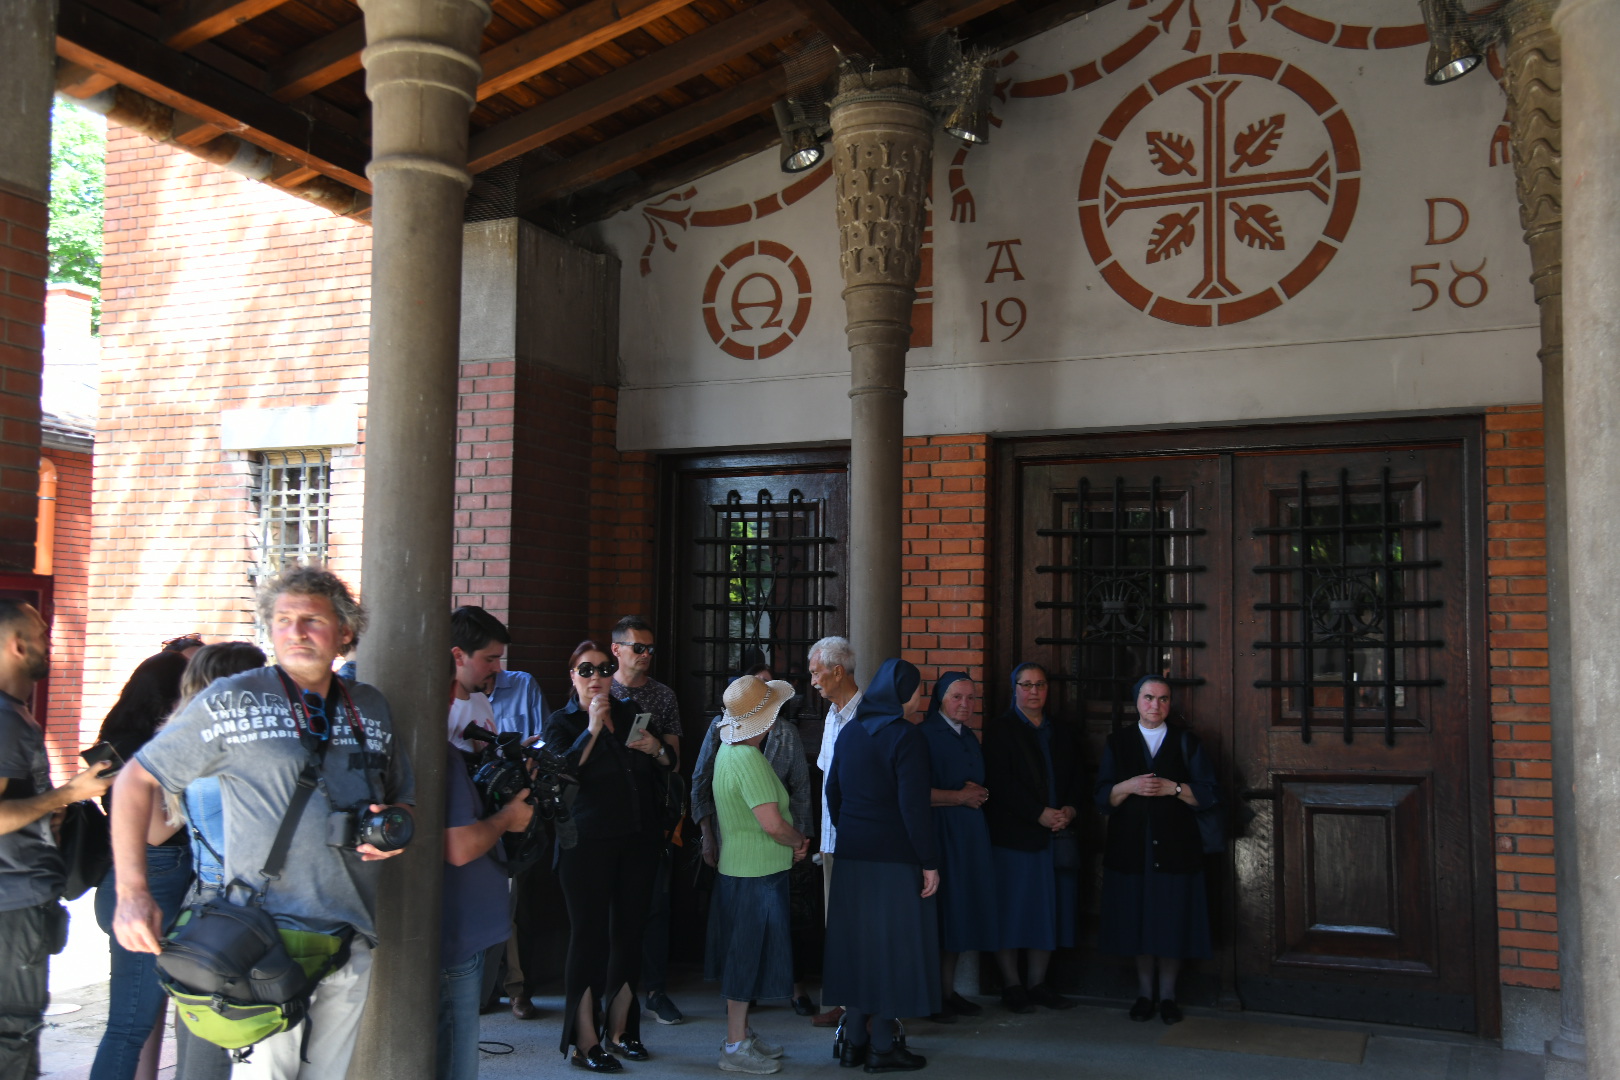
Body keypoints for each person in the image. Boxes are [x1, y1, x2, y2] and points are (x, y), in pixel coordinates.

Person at [110, 565, 414, 1080]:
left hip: (349, 934)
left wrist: (395, 827)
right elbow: (133, 782)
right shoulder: (233, 698)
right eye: (283, 619)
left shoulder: (370, 705)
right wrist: (132, 891)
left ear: (344, 631)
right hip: (264, 941)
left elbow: (401, 797)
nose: (295, 631)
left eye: (312, 620)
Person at [544, 641, 674, 1072]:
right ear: (572, 676)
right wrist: (593, 728)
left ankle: (622, 1030)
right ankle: (584, 1041)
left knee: (629, 934)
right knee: (589, 938)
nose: (596, 677)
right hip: (585, 844)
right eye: (586, 670)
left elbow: (667, 762)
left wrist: (655, 748)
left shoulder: (630, 715)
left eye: (602, 669)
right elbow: (561, 773)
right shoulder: (561, 722)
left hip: (637, 839)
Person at [0, 600, 114, 1079]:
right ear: (17, 644)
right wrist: (69, 793)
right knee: (13, 1030)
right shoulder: (5, 721)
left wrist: (51, 813)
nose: (52, 644)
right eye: (44, 635)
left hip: (20, 900)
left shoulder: (15, 717)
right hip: (11, 907)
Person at [821, 658, 938, 1074]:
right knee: (893, 952)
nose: (920, 698)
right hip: (894, 860)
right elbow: (914, 807)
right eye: (918, 691)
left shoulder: (851, 732)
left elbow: (833, 791)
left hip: (854, 856)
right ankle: (883, 1047)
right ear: (903, 695)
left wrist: (853, 830)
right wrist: (929, 861)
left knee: (858, 950)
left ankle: (854, 1042)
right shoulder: (906, 737)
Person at [169, 641, 269, 1080]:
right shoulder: (236, 757)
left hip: (202, 901)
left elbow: (158, 829)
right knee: (230, 1032)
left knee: (200, 1030)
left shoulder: (186, 744)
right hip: (240, 905)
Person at [89, 650, 190, 1080]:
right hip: (151, 879)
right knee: (130, 1023)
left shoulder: (121, 738)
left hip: (145, 879)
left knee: (143, 1017)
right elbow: (156, 831)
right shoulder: (140, 750)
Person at [692, 664, 816, 1015]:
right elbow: (772, 823)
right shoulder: (743, 755)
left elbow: (801, 791)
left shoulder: (747, 746)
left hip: (763, 861)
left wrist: (800, 841)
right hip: (753, 865)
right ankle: (737, 1039)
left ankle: (744, 1030)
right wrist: (795, 841)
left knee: (756, 944)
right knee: (746, 950)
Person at [1095, 675, 1217, 1025]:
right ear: (1137, 702)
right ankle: (1144, 994)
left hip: (1176, 847)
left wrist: (1174, 788)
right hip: (1131, 847)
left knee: (1170, 921)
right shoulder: (1117, 742)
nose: (1156, 705)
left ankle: (1168, 996)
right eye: (1149, 698)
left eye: (1163, 699)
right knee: (1138, 921)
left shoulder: (1186, 742)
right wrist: (1129, 785)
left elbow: (1208, 794)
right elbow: (1103, 797)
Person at [449, 605, 551, 1020]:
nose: (496, 668)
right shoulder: (435, 709)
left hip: (489, 837)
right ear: (458, 655)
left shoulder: (477, 703)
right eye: (489, 658)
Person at [440, 668, 535, 1080]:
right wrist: (508, 817)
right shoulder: (441, 758)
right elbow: (460, 847)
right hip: (453, 930)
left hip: (468, 924)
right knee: (459, 1042)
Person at [982, 662, 1082, 1014]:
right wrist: (1036, 812)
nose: (1034, 692)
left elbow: (1076, 776)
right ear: (1015, 689)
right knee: (1011, 912)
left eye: (1040, 685)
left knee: (1047, 911)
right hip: (1014, 837)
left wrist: (1069, 808)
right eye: (1026, 685)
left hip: (1056, 836)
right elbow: (1000, 781)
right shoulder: (1000, 730)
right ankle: (1012, 984)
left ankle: (1038, 983)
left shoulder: (1061, 731)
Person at [607, 615, 685, 1027]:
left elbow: (673, 762)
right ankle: (612, 991)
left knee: (655, 904)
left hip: (653, 814)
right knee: (608, 907)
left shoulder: (663, 696)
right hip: (607, 815)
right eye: (638, 647)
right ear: (616, 648)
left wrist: (654, 748)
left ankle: (655, 991)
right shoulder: (598, 688)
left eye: (650, 648)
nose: (646, 655)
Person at [914, 672, 997, 1022]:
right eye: (957, 697)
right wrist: (960, 797)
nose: (965, 704)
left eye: (970, 698)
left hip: (969, 835)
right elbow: (914, 794)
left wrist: (979, 795)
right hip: (942, 832)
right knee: (941, 915)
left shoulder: (969, 736)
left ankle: (949, 991)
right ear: (940, 699)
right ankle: (932, 995)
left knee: (960, 913)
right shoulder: (924, 735)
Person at [807, 635, 861, 1028]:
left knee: (861, 925)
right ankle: (844, 1002)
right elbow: (827, 777)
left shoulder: (866, 716)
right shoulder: (832, 712)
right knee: (837, 927)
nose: (813, 681)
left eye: (816, 672)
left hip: (857, 842)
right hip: (831, 839)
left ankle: (865, 1006)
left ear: (837, 671)